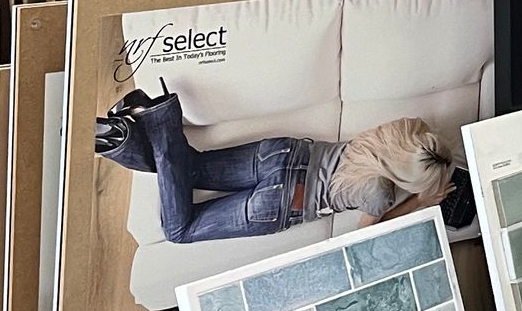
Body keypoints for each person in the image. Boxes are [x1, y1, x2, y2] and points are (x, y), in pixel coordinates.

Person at [96, 90, 475, 244]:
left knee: (187, 168)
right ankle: (159, 122)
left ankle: (123, 137)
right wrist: (422, 203)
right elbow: (364, 235)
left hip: (283, 154)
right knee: (179, 230)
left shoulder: (399, 132)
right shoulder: (379, 191)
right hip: (284, 202)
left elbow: (424, 147)